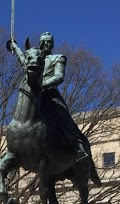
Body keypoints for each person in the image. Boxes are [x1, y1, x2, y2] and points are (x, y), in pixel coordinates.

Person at [8, 31, 90, 162]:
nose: (47, 44)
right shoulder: (35, 58)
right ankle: (12, 149)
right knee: (21, 116)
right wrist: (15, 47)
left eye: (49, 42)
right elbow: (23, 60)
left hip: (51, 95)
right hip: (36, 94)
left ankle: (78, 146)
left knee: (64, 116)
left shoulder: (58, 58)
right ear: (40, 43)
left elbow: (59, 76)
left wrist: (42, 84)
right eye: (44, 41)